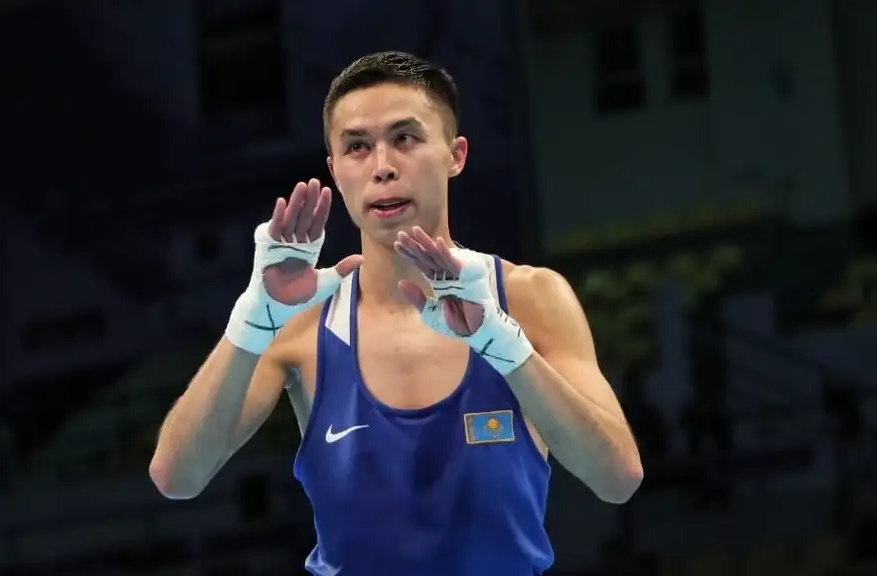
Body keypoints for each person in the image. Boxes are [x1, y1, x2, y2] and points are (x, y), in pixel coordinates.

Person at [150, 51, 643, 575]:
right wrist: (250, 323)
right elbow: (178, 478)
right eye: (357, 147)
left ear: (455, 155)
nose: (382, 166)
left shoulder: (530, 299)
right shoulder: (299, 322)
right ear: (334, 170)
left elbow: (617, 479)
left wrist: (506, 347)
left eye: (405, 138)